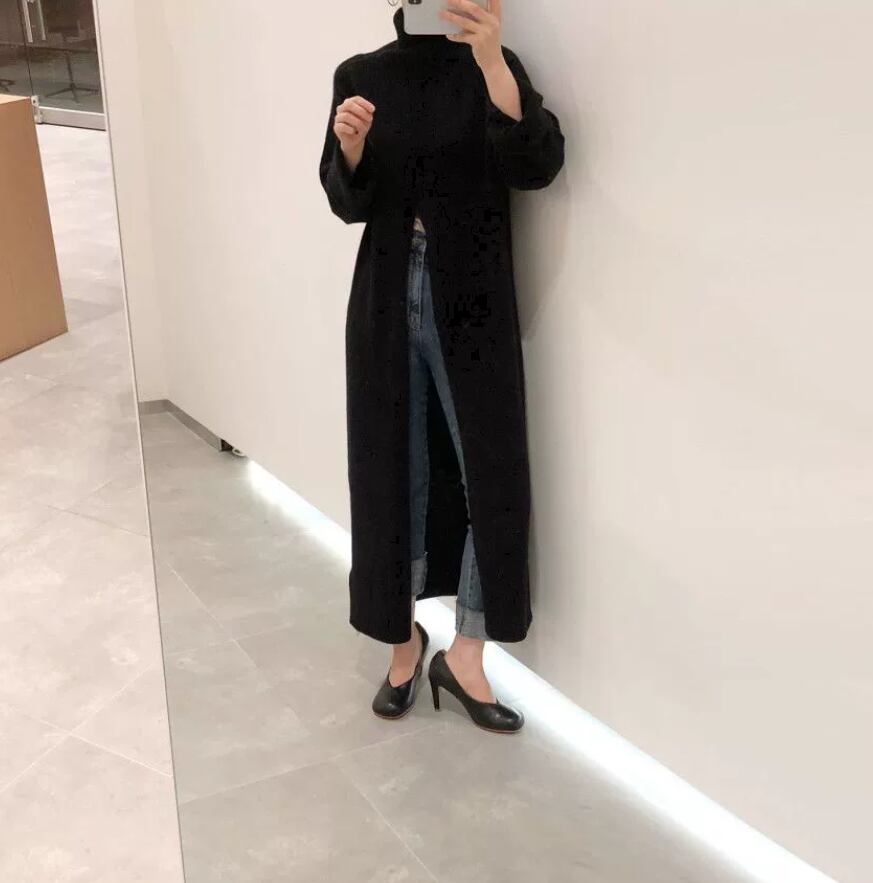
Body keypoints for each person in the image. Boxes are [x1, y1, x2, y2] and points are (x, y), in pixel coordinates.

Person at [319, 0, 564, 734]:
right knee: (388, 468)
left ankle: (467, 653)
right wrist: (350, 149)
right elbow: (346, 201)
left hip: (475, 298)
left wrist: (491, 64)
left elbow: (537, 164)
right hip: (385, 296)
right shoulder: (360, 74)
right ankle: (402, 644)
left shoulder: (494, 67)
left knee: (490, 469)